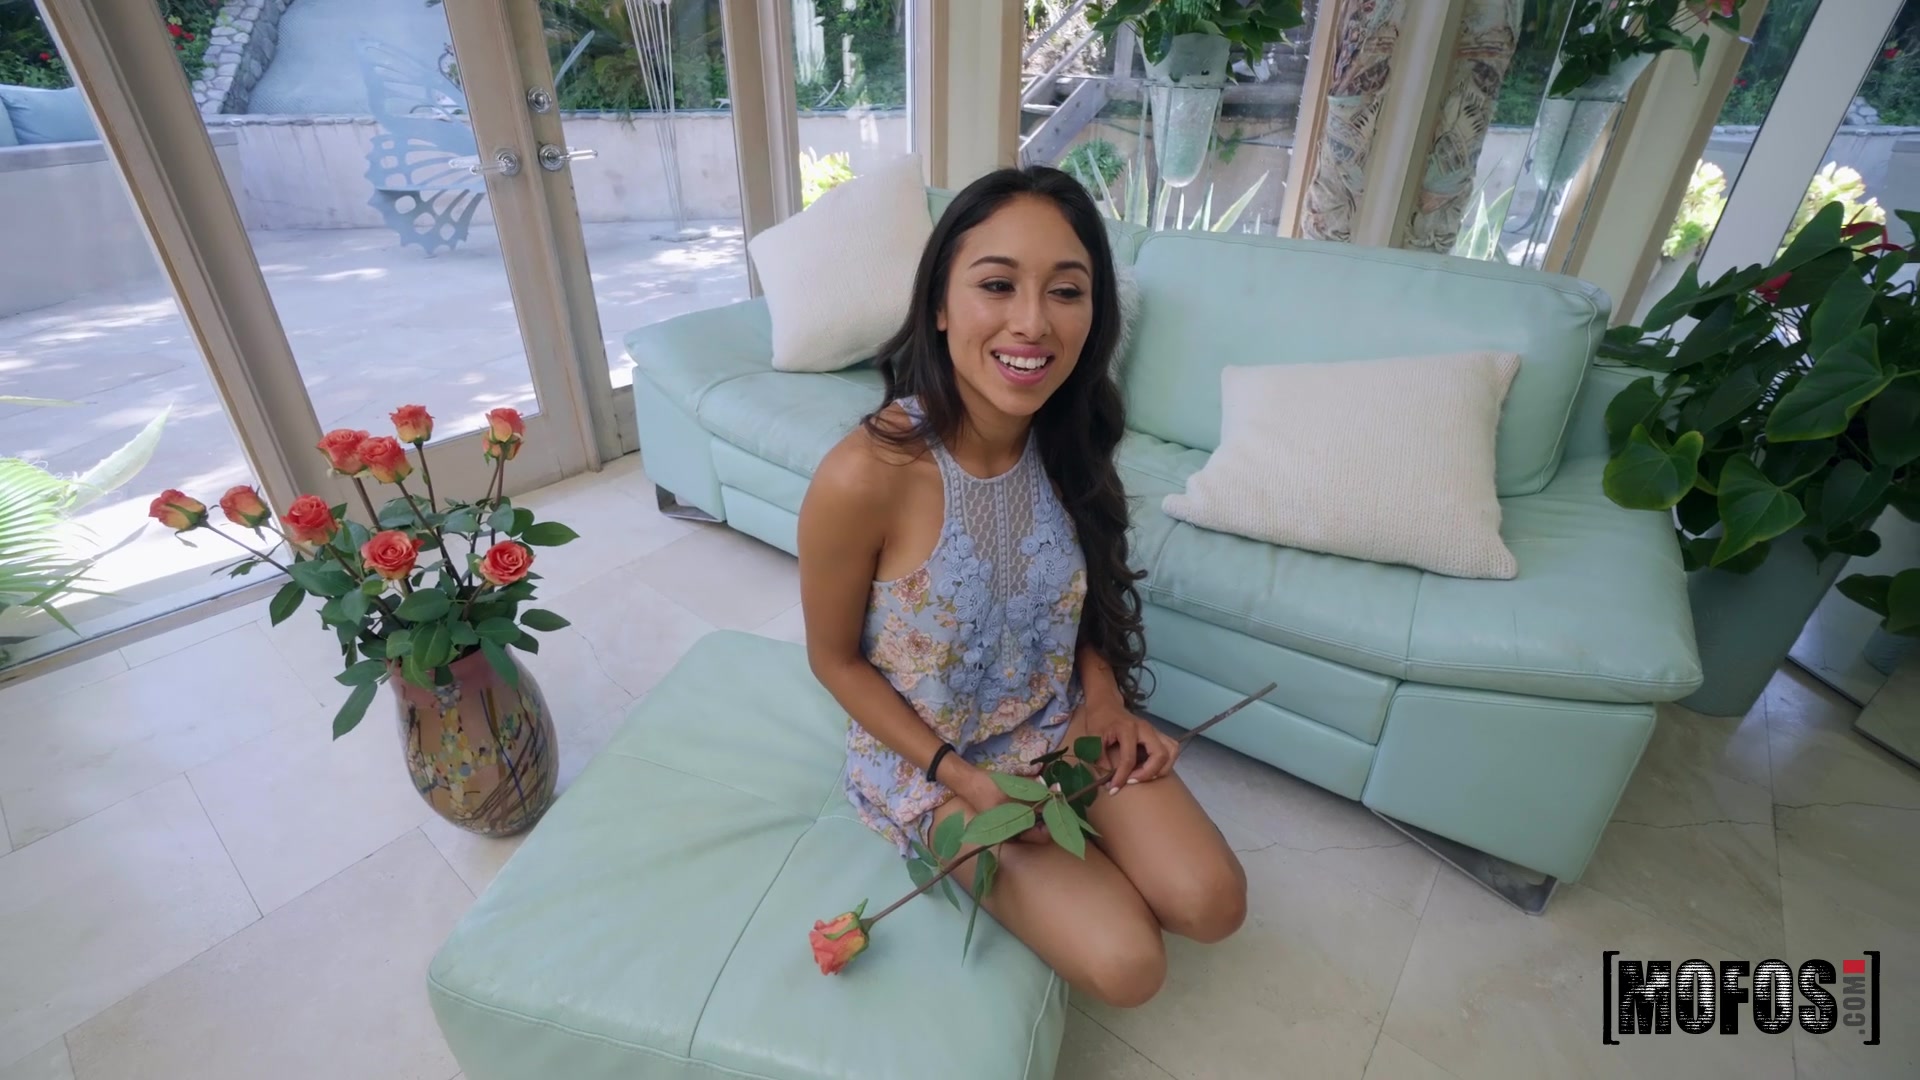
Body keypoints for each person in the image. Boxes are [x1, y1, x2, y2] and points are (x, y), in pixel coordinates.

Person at [797, 165, 1247, 1008]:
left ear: (1094, 314)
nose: (1033, 322)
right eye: (997, 284)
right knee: (1129, 965)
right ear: (940, 303)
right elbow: (834, 661)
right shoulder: (864, 475)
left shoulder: (1068, 434)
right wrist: (966, 782)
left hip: (1058, 721)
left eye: (1065, 292)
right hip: (935, 765)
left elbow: (1076, 602)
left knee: (1212, 903)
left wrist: (1105, 703)